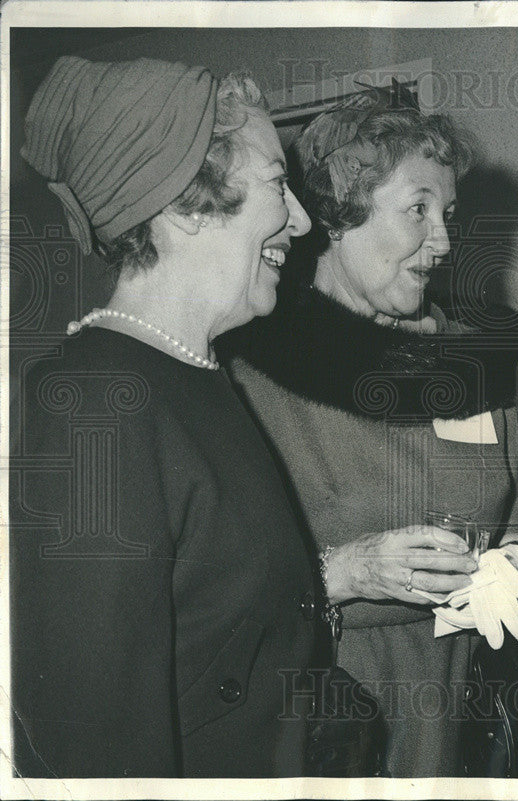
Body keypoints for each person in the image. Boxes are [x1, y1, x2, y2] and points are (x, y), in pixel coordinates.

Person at [219, 83, 518, 777]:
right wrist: (349, 571)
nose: (444, 241)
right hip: (336, 725)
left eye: (448, 212)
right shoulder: (255, 373)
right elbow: (223, 593)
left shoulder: (481, 359)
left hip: (477, 724)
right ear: (339, 214)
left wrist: (514, 560)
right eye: (418, 210)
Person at [12, 56, 321, 777]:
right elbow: (91, 740)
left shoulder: (198, 369)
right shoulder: (93, 401)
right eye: (279, 184)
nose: (301, 221)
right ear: (187, 203)